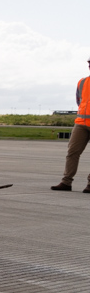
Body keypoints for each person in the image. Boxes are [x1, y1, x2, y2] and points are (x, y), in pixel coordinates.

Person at [51, 55, 90, 192]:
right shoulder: (82, 82)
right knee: (72, 152)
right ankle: (66, 182)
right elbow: (79, 101)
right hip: (81, 123)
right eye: (89, 63)